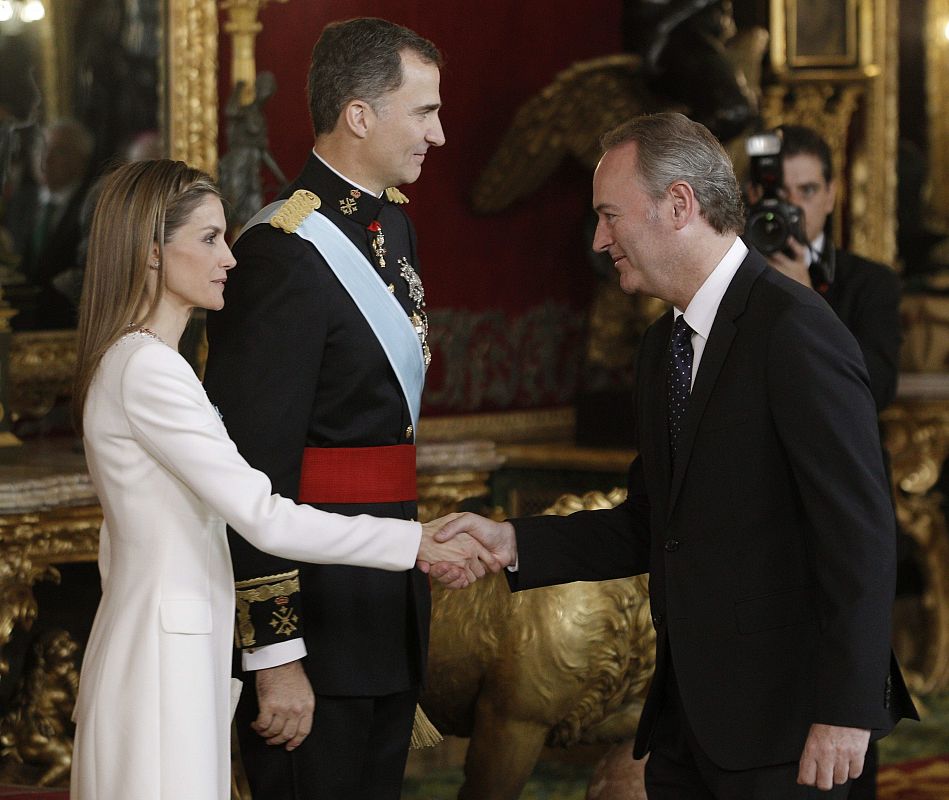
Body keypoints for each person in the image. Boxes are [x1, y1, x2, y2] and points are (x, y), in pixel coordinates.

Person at [433, 112, 918, 799]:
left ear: (679, 205)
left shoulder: (796, 333)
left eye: (609, 216)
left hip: (794, 731)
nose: (600, 241)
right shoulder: (664, 346)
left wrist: (844, 713)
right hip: (688, 726)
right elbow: (654, 522)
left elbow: (860, 535)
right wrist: (509, 539)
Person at [69, 159, 488, 800]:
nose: (230, 259)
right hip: (164, 660)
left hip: (164, 644)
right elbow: (262, 514)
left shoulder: (136, 361)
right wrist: (413, 543)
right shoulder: (150, 370)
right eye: (209, 239)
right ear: (152, 253)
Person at [202, 17, 446, 800]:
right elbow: (247, 474)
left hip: (385, 606)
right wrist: (277, 656)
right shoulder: (280, 252)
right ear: (359, 114)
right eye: (424, 111)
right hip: (317, 622)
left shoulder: (394, 224)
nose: (438, 134)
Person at [5, 119, 94, 329]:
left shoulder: (94, 205)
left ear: (80, 159)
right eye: (40, 150)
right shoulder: (19, 202)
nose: (46, 159)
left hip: (69, 326)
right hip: (19, 324)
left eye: (58, 151)